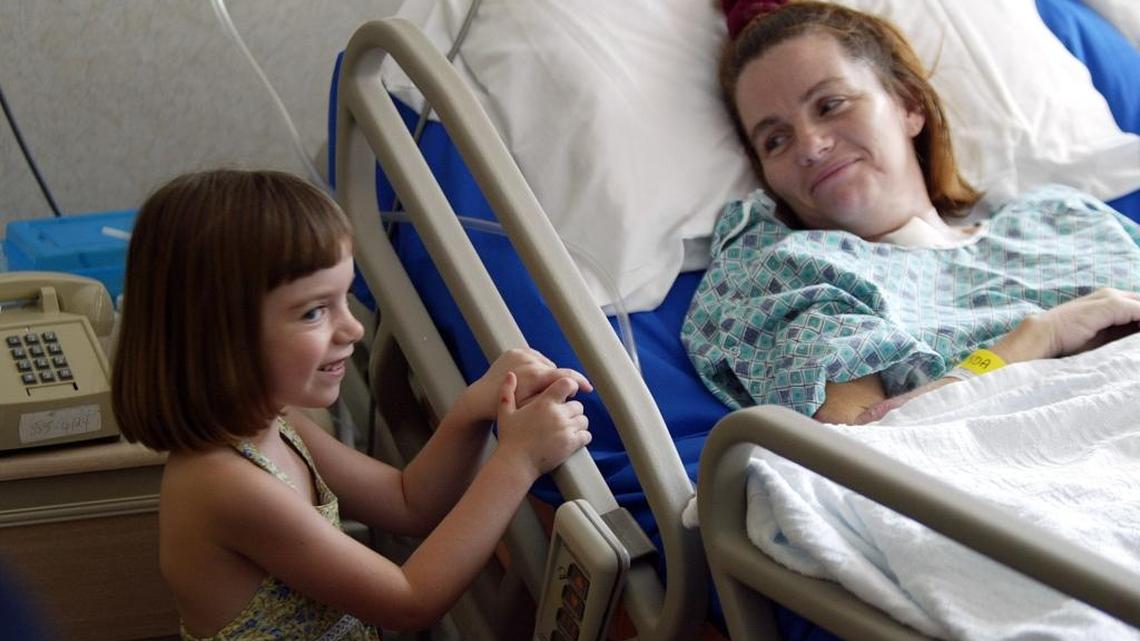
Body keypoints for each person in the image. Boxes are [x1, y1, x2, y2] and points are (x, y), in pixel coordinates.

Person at [111, 169, 593, 640]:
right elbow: (410, 600)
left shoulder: (276, 424)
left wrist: (473, 409)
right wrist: (517, 461)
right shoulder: (226, 485)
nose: (354, 328)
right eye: (314, 311)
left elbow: (408, 501)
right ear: (219, 336)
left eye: (344, 298)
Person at [683, 1, 1140, 425]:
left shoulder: (1063, 215)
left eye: (830, 105)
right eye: (775, 140)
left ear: (909, 105)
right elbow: (865, 444)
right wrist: (1039, 338)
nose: (810, 145)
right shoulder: (799, 274)